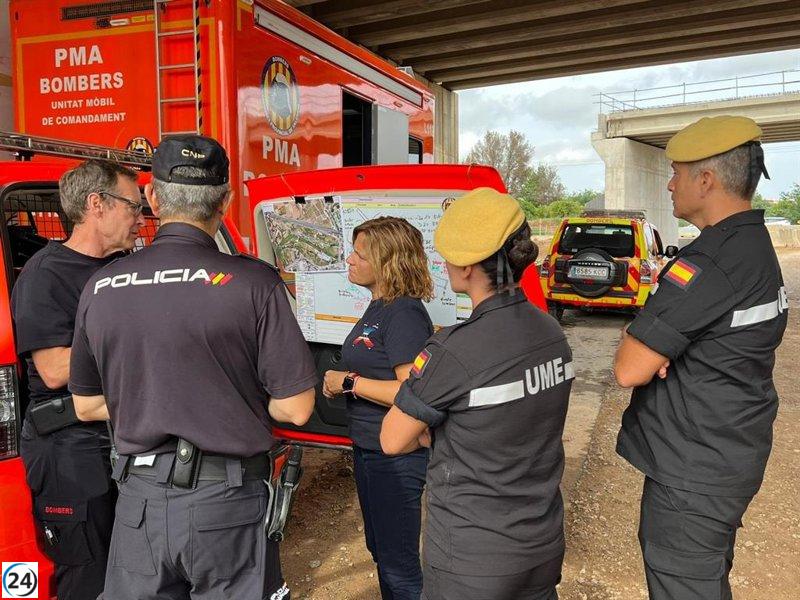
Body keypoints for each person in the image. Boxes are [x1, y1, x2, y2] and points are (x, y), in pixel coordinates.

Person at [68, 134, 317, 600]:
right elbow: (297, 408)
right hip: (227, 504)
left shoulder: (101, 286)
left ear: (153, 197)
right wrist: (221, 404)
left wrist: (156, 403)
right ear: (225, 200)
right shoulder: (253, 283)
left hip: (139, 503)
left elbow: (85, 405)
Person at [613, 116, 788, 600]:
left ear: (706, 180)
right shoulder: (753, 245)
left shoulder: (709, 261)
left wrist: (645, 337)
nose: (670, 185)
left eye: (676, 173)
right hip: (726, 454)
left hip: (693, 472)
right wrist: (657, 342)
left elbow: (628, 368)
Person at [380, 187, 573, 600]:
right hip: (541, 546)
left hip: (472, 559)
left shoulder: (454, 349)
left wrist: (439, 431)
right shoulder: (551, 332)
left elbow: (393, 439)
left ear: (467, 266)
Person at [11, 159, 145, 600]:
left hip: (124, 436)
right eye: (132, 205)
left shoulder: (126, 268)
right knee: (88, 573)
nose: (139, 218)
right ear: (96, 205)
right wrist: (136, 345)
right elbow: (53, 370)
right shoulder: (45, 275)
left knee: (135, 568)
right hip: (70, 447)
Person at [322, 216, 434, 600]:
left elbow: (411, 390)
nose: (350, 260)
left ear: (388, 262)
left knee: (398, 566)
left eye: (360, 254)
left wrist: (349, 382)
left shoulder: (404, 313)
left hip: (396, 456)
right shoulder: (381, 307)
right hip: (371, 449)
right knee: (382, 552)